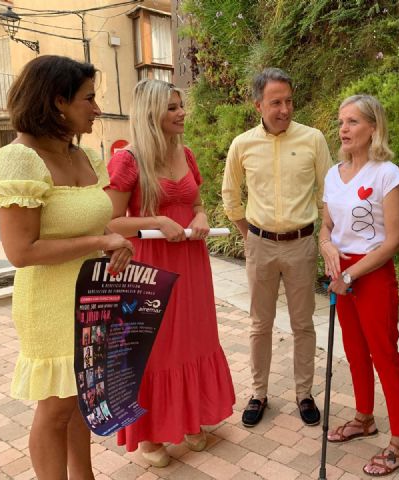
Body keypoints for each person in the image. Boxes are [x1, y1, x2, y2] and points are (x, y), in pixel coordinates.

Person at [0, 55, 133, 480]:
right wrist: (99, 242)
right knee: (55, 409)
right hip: (50, 303)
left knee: (79, 400)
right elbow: (21, 250)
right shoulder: (19, 160)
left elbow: (94, 219)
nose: (97, 108)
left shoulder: (86, 156)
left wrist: (117, 240)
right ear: (58, 102)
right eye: (89, 99)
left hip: (91, 295)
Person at [106, 79, 235, 467]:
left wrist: (199, 216)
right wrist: (158, 219)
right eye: (173, 107)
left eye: (181, 106)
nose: (182, 113)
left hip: (191, 263)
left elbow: (197, 203)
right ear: (151, 113)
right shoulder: (127, 160)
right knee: (156, 349)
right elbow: (110, 222)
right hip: (148, 266)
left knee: (195, 340)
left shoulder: (187, 153)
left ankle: (191, 420)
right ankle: (150, 436)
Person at [222, 67, 333, 427]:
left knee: (303, 325)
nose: (284, 109)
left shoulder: (313, 139)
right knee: (260, 324)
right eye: (275, 102)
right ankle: (258, 393)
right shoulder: (242, 144)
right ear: (259, 105)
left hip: (301, 244)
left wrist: (325, 237)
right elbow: (229, 195)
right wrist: (248, 234)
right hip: (260, 245)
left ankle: (305, 394)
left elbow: (327, 195)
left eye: (288, 101)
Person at [319, 95, 399, 476]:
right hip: (340, 273)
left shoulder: (386, 174)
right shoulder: (332, 173)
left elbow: (394, 240)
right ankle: (364, 418)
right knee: (355, 351)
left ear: (373, 127)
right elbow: (327, 226)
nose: (343, 129)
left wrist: (351, 274)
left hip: (371, 274)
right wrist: (326, 246)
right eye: (341, 122)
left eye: (353, 121)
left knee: (384, 356)